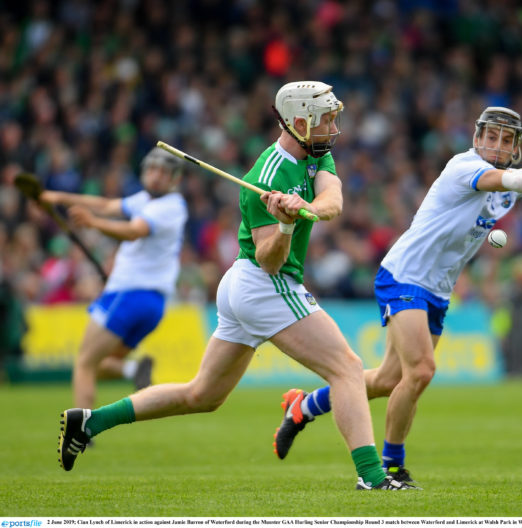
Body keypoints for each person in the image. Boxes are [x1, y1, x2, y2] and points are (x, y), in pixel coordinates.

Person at [272, 106, 522, 486]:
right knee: (421, 372)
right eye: (491, 136)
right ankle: (390, 467)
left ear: (515, 146)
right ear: (478, 137)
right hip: (404, 276)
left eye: (507, 140)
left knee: (388, 379)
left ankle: (304, 406)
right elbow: (517, 180)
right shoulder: (464, 167)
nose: (498, 146)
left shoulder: (511, 184)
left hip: (436, 288)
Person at [57, 81, 415, 491]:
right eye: (326, 120)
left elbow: (333, 201)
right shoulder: (263, 176)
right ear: (299, 122)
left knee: (202, 396)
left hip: (246, 286)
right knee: (347, 369)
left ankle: (90, 421)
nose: (333, 128)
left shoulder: (318, 156)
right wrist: (284, 223)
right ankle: (372, 477)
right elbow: (269, 257)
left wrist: (306, 208)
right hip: (264, 282)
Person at [41, 147, 188, 409]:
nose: (156, 176)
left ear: (174, 178)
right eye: (152, 169)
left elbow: (134, 231)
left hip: (128, 294)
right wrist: (58, 197)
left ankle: (80, 431)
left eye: (164, 172)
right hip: (152, 305)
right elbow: (106, 204)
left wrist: (93, 223)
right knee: (101, 364)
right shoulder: (146, 200)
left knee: (84, 363)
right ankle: (132, 369)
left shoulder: (169, 206)